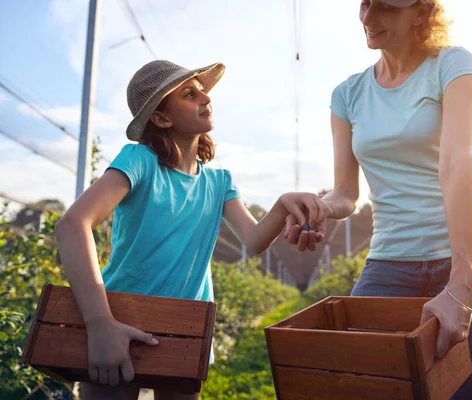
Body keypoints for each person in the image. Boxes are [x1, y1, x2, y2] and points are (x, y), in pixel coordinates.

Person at [285, 0, 472, 398]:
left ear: (420, 12)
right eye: (365, 4)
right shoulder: (348, 94)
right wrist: (320, 206)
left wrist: (464, 282)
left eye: (387, 8)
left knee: (469, 390)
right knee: (370, 383)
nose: (369, 19)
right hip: (391, 259)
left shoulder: (452, 64)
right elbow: (347, 192)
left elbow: (456, 161)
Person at [55, 59, 328, 400]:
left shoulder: (219, 181)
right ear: (161, 118)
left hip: (185, 326)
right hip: (118, 316)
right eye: (189, 94)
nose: (205, 98)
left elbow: (255, 239)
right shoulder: (139, 161)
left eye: (202, 91)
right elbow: (72, 225)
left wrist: (285, 202)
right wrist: (99, 325)